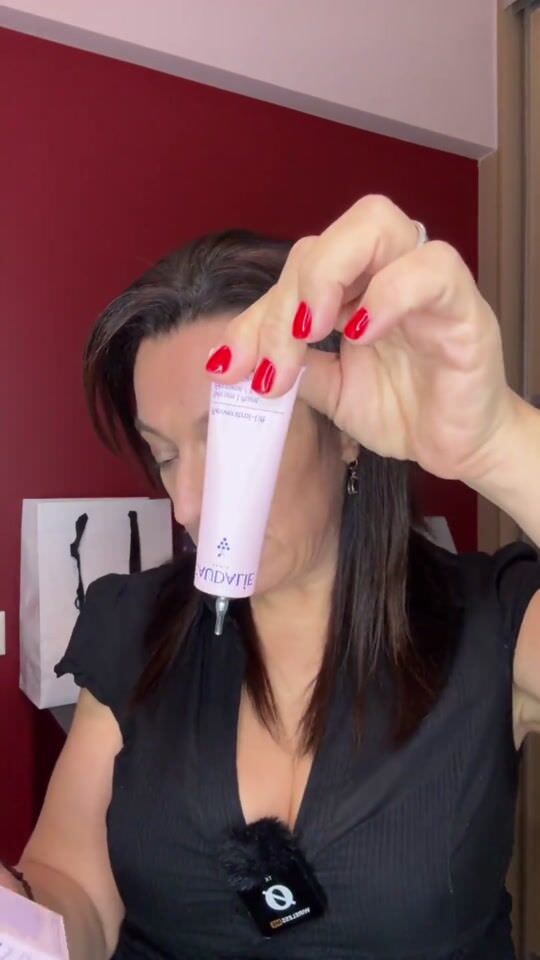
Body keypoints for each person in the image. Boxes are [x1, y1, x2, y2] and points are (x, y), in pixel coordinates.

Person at [2, 195, 540, 960]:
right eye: (165, 455)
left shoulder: (494, 625)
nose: (188, 505)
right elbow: (75, 894)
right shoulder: (134, 625)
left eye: (230, 439)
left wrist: (495, 440)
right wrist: (15, 919)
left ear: (345, 431)